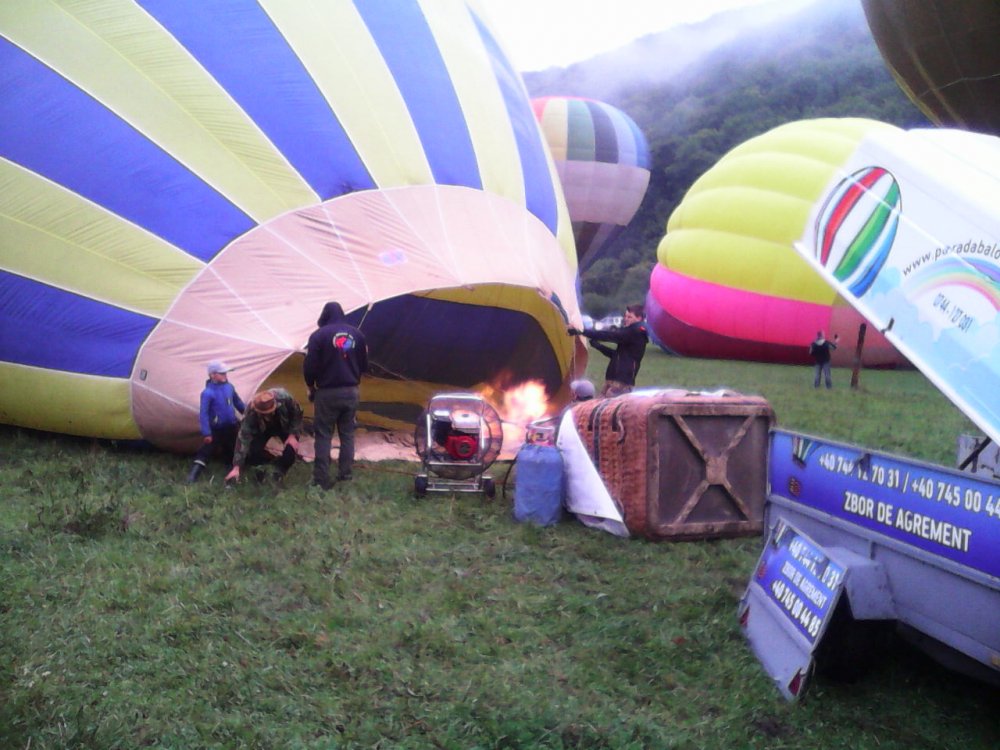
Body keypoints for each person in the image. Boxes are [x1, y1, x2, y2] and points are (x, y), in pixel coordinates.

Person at [303, 301, 369, 490]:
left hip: (327, 392)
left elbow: (310, 365)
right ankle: (345, 475)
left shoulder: (318, 336)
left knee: (324, 435)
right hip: (351, 391)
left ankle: (321, 479)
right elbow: (364, 364)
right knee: (347, 435)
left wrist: (310, 385)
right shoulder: (357, 334)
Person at [224, 388, 303, 486]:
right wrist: (236, 467)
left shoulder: (284, 397)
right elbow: (243, 438)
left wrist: (292, 435)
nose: (267, 415)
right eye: (264, 413)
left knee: (290, 451)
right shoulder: (251, 412)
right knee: (253, 452)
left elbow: (297, 413)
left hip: (283, 425)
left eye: (269, 412)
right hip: (262, 429)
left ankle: (279, 472)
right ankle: (261, 474)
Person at [568, 304, 649, 397]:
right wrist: (598, 346)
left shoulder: (636, 331)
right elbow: (617, 355)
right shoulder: (630, 331)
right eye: (625, 316)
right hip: (613, 377)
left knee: (609, 404)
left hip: (622, 381)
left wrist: (582, 332)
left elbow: (610, 335)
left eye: (630, 317)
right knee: (600, 403)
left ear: (639, 318)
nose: (626, 319)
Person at [187, 360, 245, 483]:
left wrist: (247, 412)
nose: (225, 375)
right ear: (212, 375)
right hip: (216, 428)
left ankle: (231, 472)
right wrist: (207, 432)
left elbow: (238, 402)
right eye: (222, 373)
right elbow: (203, 414)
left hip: (231, 426)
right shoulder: (207, 393)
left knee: (232, 448)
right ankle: (193, 475)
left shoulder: (229, 387)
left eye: (225, 373)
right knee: (206, 450)